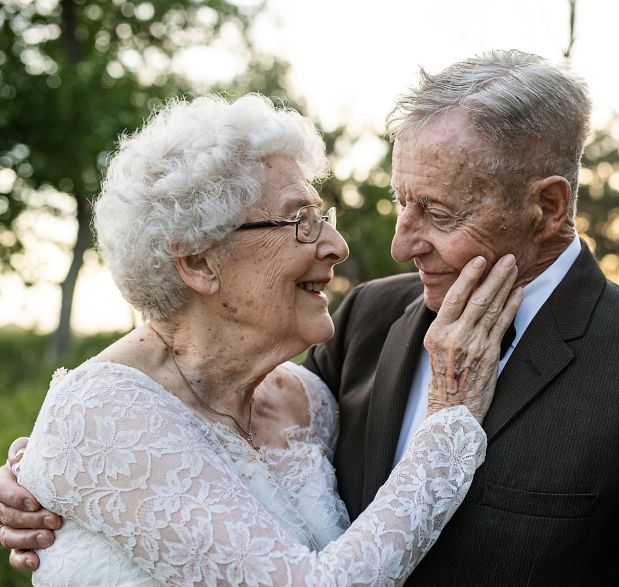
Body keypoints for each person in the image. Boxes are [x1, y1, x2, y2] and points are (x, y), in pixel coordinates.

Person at [2, 50, 619, 585]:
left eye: (437, 212)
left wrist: (68, 464)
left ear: (547, 207)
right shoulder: (369, 318)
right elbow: (175, 425)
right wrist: (52, 469)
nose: (395, 244)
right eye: (402, 202)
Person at [0, 93, 521, 585]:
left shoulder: (306, 400)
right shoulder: (101, 415)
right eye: (301, 222)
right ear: (200, 262)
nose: (337, 245)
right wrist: (450, 424)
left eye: (323, 218)